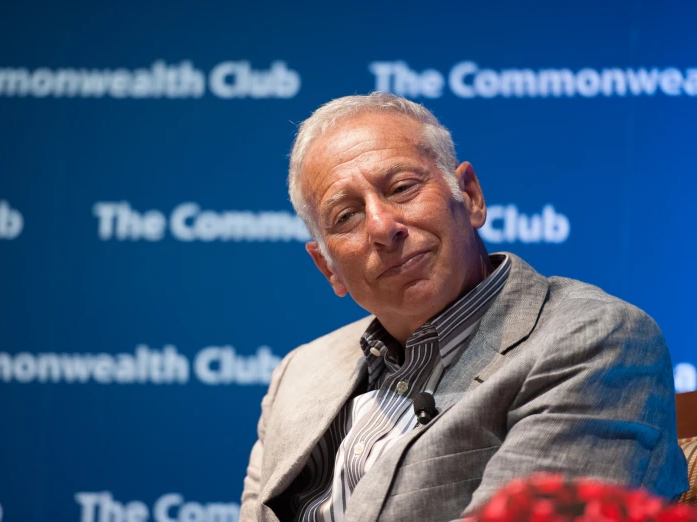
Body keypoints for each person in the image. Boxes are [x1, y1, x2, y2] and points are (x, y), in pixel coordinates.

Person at [239, 92, 688, 522]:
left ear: (470, 195)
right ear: (328, 268)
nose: (382, 226)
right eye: (346, 216)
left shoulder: (597, 341)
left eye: (401, 187)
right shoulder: (298, 374)